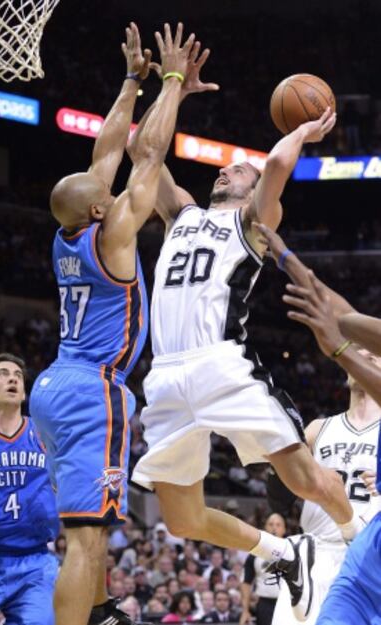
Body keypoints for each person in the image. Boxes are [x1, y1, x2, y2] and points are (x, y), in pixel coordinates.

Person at [130, 79, 362, 619]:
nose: (221, 170)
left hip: (222, 365)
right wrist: (171, 92)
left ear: (250, 186)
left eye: (234, 168)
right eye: (223, 167)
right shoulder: (180, 215)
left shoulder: (253, 222)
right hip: (164, 375)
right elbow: (144, 152)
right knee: (182, 519)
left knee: (303, 479)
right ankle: (281, 550)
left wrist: (302, 130)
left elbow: (276, 169)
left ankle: (360, 539)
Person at [29, 22, 197, 625]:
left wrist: (130, 83)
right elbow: (144, 154)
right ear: (101, 209)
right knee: (87, 537)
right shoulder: (115, 235)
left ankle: (99, 612)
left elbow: (104, 154)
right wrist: (172, 82)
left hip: (53, 385)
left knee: (86, 524)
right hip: (92, 390)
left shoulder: (64, 234)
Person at [256, 223, 381, 625]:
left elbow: (343, 330)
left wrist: (341, 349)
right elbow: (345, 315)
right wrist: (286, 259)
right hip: (346, 553)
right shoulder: (320, 427)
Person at [270, 352, 381, 625]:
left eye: (375, 353)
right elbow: (278, 500)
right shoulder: (318, 429)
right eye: (359, 352)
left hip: (365, 556)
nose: (365, 355)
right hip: (312, 555)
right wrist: (276, 457)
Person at [0, 353, 59, 625]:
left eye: (18, 376)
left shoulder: (44, 434)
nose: (12, 379)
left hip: (35, 561)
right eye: (3, 373)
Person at [241, 514, 286, 625]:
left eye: (278, 525)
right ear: (265, 528)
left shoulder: (295, 551)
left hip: (288, 604)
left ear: (284, 529)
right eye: (271, 524)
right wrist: (245, 610)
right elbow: (246, 583)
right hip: (265, 604)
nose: (274, 527)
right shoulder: (254, 554)